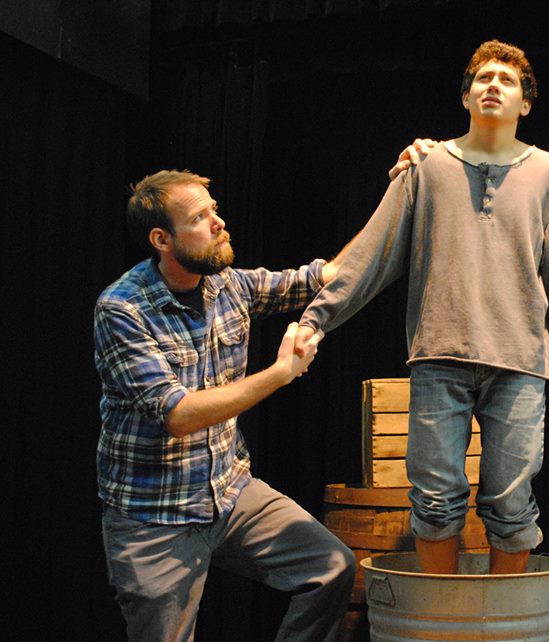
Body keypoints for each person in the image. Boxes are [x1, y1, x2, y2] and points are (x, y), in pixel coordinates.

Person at [95, 149, 424, 641]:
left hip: (229, 494)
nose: (218, 222)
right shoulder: (122, 309)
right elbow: (179, 414)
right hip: (154, 518)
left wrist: (399, 190)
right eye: (201, 218)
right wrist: (280, 373)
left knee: (331, 567)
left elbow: (328, 276)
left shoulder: (228, 285)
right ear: (161, 239)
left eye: (214, 209)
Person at [293, 40, 549, 575]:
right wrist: (316, 317)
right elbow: (373, 251)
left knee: (511, 505)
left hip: (519, 362)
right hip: (439, 355)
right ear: (465, 96)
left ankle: (500, 628)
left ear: (526, 102)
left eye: (509, 79)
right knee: (433, 503)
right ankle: (444, 622)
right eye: (483, 77)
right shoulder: (427, 166)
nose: (494, 85)